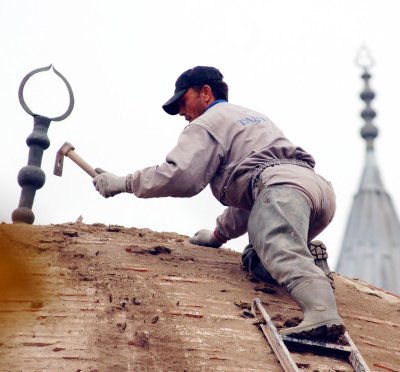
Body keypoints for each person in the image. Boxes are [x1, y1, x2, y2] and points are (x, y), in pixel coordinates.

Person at [93, 66, 345, 341]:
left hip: (281, 192)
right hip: (314, 191)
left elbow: (182, 175)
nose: (181, 112)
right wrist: (217, 235)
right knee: (255, 256)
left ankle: (322, 312)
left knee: (280, 249)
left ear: (205, 93)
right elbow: (255, 203)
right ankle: (312, 263)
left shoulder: (207, 122)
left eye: (183, 101)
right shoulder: (251, 117)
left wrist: (124, 183)